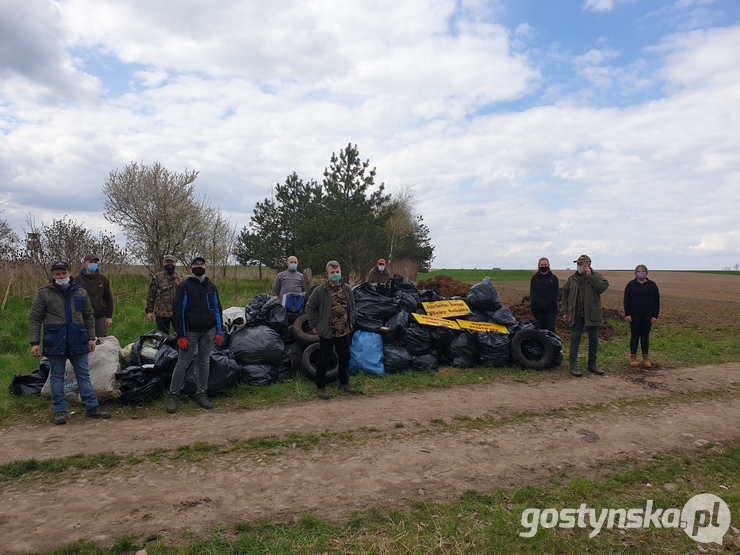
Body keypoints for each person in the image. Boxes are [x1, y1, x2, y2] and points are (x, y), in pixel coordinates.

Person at [29, 261, 111, 424]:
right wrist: (34, 342)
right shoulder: (44, 293)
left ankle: (91, 407)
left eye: (63, 273)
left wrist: (91, 338)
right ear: (53, 275)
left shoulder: (80, 292)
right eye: (57, 274)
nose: (61, 276)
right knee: (57, 376)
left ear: (69, 273)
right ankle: (59, 410)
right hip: (55, 340)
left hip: (78, 340)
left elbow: (89, 315)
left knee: (83, 374)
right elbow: (35, 318)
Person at [166, 256, 224, 413]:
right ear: (190, 269)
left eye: (202, 264)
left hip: (209, 331)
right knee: (182, 363)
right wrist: (181, 335)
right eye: (196, 264)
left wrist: (219, 331)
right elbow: (178, 312)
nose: (199, 266)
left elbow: (217, 309)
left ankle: (201, 393)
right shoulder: (184, 287)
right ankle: (173, 395)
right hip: (190, 332)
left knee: (204, 362)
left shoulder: (211, 286)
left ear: (205, 267)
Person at [305, 260, 360, 399]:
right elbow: (309, 307)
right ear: (327, 274)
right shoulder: (320, 290)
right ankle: (321, 387)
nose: (335, 275)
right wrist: (313, 325)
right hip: (327, 332)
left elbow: (352, 306)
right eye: (332, 273)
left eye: (337, 272)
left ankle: (344, 383)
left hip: (344, 331)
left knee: (345, 358)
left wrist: (351, 322)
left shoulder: (347, 288)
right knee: (324, 360)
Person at [561, 255, 609, 377]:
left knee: (593, 339)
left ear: (588, 265)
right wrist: (565, 311)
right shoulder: (572, 278)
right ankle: (573, 365)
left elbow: (602, 287)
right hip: (576, 314)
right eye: (578, 264)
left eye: (581, 264)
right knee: (575, 338)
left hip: (592, 314)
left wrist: (590, 276)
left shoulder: (596, 276)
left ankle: (592, 364)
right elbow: (565, 293)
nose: (579, 266)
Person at [623, 264, 660, 368]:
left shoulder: (652, 285)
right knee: (634, 336)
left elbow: (656, 301)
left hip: (648, 315)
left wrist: (655, 315)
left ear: (646, 273)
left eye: (643, 271)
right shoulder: (631, 285)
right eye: (639, 271)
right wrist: (627, 314)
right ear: (635, 273)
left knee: (645, 336)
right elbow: (626, 300)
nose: (641, 273)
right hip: (634, 315)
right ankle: (633, 357)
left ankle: (645, 358)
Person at [75, 253, 114, 338]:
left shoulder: (103, 279)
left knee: (102, 340)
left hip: (100, 316)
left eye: (95, 262)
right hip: (83, 317)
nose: (94, 263)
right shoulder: (77, 279)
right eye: (91, 261)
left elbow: (109, 298)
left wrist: (109, 317)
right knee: (83, 340)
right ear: (84, 263)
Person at [145, 254, 184, 333]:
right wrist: (149, 312)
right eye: (167, 262)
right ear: (163, 263)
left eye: (171, 262)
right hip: (162, 314)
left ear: (175, 263)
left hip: (178, 313)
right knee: (162, 337)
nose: (169, 264)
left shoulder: (182, 277)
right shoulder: (157, 277)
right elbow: (151, 295)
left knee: (180, 336)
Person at [529, 257, 559, 331]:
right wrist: (541, 303)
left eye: (545, 264)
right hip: (538, 308)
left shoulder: (553, 278)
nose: (543, 266)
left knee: (550, 328)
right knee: (539, 329)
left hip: (551, 308)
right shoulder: (535, 278)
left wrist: (547, 303)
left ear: (548, 265)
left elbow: (555, 292)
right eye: (542, 265)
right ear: (538, 266)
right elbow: (533, 292)